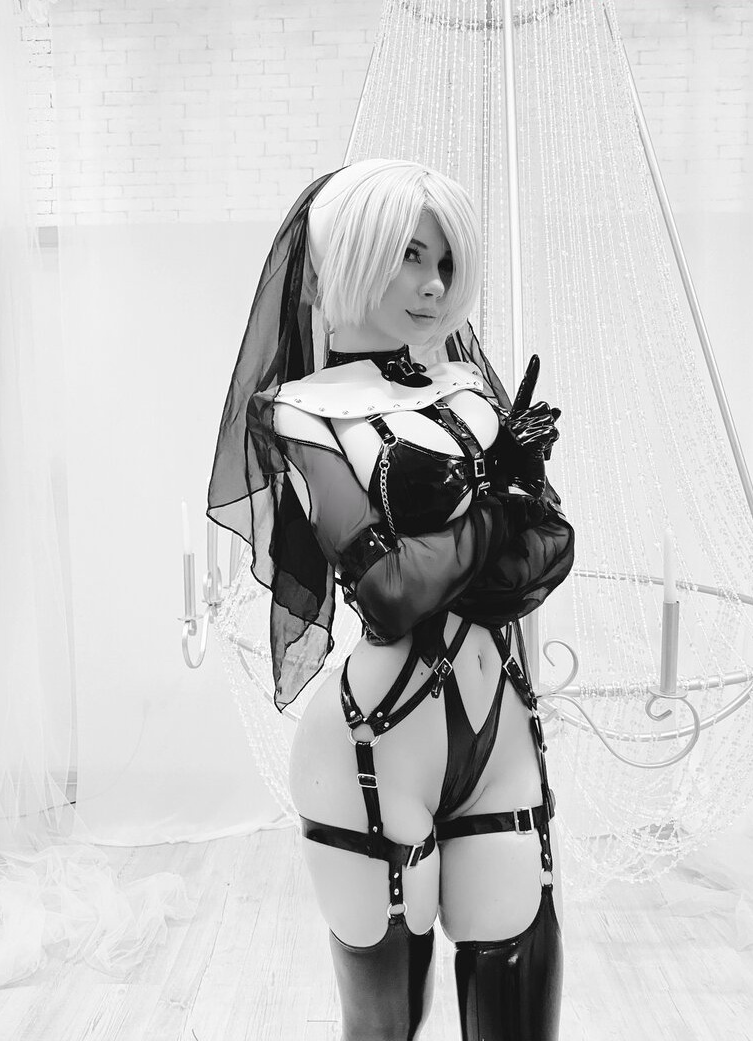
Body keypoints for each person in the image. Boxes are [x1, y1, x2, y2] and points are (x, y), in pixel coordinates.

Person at [207, 158, 575, 1041]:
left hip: (501, 739)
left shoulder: (468, 388)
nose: (435, 283)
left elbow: (553, 546)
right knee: (385, 1027)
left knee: (520, 1005)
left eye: (445, 261)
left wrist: (473, 530)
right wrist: (498, 501)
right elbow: (389, 593)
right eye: (410, 254)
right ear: (352, 252)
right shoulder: (299, 412)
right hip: (369, 748)